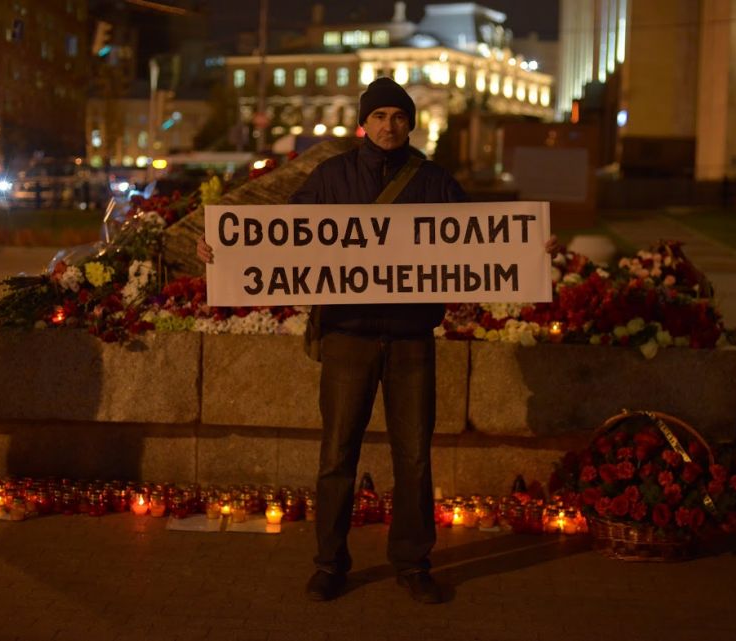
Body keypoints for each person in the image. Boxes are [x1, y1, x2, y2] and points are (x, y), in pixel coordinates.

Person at [198, 78, 557, 604]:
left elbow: (479, 242)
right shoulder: (332, 176)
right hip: (348, 336)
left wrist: (530, 251)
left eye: (399, 116)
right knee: (336, 454)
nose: (390, 125)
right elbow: (278, 239)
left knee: (414, 457)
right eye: (381, 116)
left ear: (411, 124)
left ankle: (413, 563)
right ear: (364, 123)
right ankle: (330, 563)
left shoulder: (433, 181)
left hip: (411, 338)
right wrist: (223, 253)